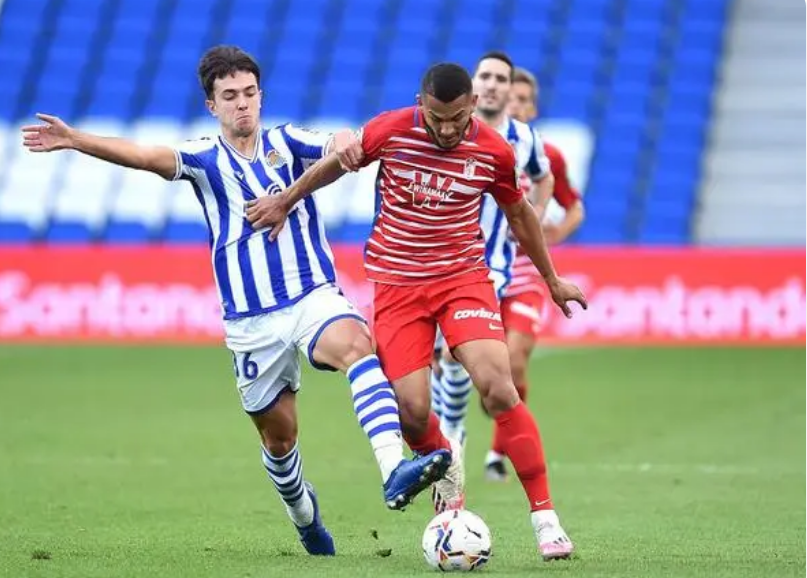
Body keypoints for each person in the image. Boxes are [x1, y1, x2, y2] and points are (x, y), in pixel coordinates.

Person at [20, 45, 451, 557]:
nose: (242, 104)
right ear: (212, 105)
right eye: (229, 96)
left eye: (249, 94)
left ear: (260, 96)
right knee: (279, 439)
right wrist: (74, 140)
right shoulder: (203, 159)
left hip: (311, 294)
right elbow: (143, 156)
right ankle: (304, 515)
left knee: (357, 345)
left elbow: (335, 140)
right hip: (250, 322)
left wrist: (350, 144)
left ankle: (392, 469)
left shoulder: (287, 142)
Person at [246, 62, 586, 561]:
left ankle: (546, 518)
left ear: (471, 106)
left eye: (455, 119)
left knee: (499, 384)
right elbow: (336, 164)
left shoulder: (493, 150)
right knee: (412, 412)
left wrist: (552, 279)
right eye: (435, 118)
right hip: (398, 287)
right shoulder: (392, 129)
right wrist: (287, 200)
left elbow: (520, 213)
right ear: (420, 103)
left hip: (462, 280)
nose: (445, 130)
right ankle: (447, 472)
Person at [430, 52, 554, 460]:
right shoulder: (447, 129)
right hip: (435, 261)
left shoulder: (525, 138)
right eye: (486, 76)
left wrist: (532, 218)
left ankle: (452, 431)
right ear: (474, 85)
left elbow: (543, 174)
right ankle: (444, 425)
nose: (494, 84)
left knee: (455, 351)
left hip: (490, 264)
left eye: (502, 78)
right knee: (432, 360)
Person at [484, 66, 587, 482]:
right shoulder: (480, 143)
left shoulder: (547, 155)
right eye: (513, 99)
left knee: (515, 359)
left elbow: (574, 206)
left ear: (533, 106)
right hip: (483, 267)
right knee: (482, 368)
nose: (518, 106)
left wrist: (550, 229)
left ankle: (497, 452)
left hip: (526, 271)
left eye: (525, 101)